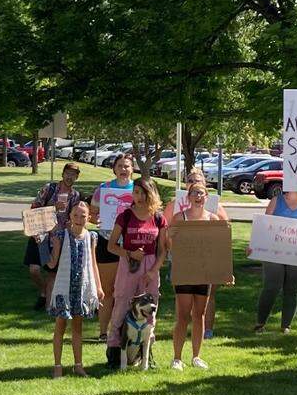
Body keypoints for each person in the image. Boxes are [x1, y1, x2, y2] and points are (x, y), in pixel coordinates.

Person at [105, 178, 168, 369]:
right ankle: (115, 352)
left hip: (150, 267)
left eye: (143, 193)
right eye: (136, 192)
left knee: (150, 309)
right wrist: (130, 253)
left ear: (151, 194)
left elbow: (163, 250)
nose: (139, 197)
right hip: (129, 265)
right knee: (122, 305)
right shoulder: (125, 216)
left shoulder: (158, 218)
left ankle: (146, 354)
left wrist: (153, 270)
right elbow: (111, 246)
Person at [169, 183, 228, 370]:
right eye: (194, 193)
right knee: (183, 315)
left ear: (206, 197)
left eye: (201, 194)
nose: (198, 196)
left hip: (204, 272)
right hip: (185, 271)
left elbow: (220, 248)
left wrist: (226, 272)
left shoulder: (213, 219)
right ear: (188, 197)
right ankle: (177, 358)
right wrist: (172, 236)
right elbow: (169, 244)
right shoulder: (179, 217)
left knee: (200, 315)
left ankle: (196, 357)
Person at [45, 201, 102, 378]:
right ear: (69, 216)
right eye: (76, 215)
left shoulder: (91, 237)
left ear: (88, 218)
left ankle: (78, 364)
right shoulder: (62, 236)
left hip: (81, 288)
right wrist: (50, 247)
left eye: (83, 216)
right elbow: (52, 263)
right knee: (60, 325)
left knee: (78, 327)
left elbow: (93, 263)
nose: (79, 219)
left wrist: (98, 286)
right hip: (64, 287)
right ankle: (57, 366)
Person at [24, 163, 82, 309]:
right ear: (62, 174)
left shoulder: (75, 195)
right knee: (34, 270)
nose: (70, 177)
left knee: (52, 273)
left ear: (76, 177)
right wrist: (53, 208)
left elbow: (72, 216)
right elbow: (34, 209)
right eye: (68, 173)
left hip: (58, 238)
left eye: (73, 175)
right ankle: (43, 291)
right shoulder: (49, 189)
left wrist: (71, 225)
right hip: (40, 234)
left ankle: (48, 304)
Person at [90, 155, 134, 340]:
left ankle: (125, 331)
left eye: (127, 166)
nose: (123, 169)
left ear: (132, 169)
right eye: (120, 166)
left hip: (131, 245)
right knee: (107, 290)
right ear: (114, 169)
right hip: (106, 242)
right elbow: (92, 215)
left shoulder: (138, 189)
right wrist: (95, 219)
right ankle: (103, 332)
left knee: (127, 291)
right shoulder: (103, 189)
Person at [253, 191, 297, 334]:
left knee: (292, 289)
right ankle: (260, 323)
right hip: (273, 253)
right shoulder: (276, 200)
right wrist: (254, 245)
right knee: (271, 286)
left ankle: (286, 326)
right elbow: (264, 226)